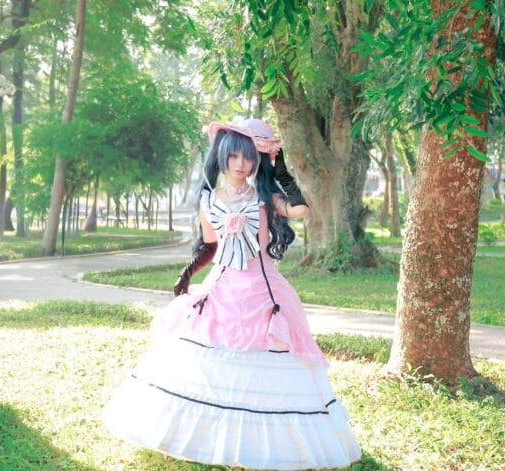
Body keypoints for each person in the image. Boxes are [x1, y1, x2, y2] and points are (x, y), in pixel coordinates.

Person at [103, 118, 361, 470]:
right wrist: (188, 272)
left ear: (257, 160)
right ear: (222, 156)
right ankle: (207, 441)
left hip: (264, 292)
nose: (241, 164)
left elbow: (301, 209)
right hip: (221, 289)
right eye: (234, 156)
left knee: (269, 360)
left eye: (249, 157)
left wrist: (279, 168)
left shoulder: (264, 196)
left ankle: (268, 446)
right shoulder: (208, 199)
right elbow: (211, 244)